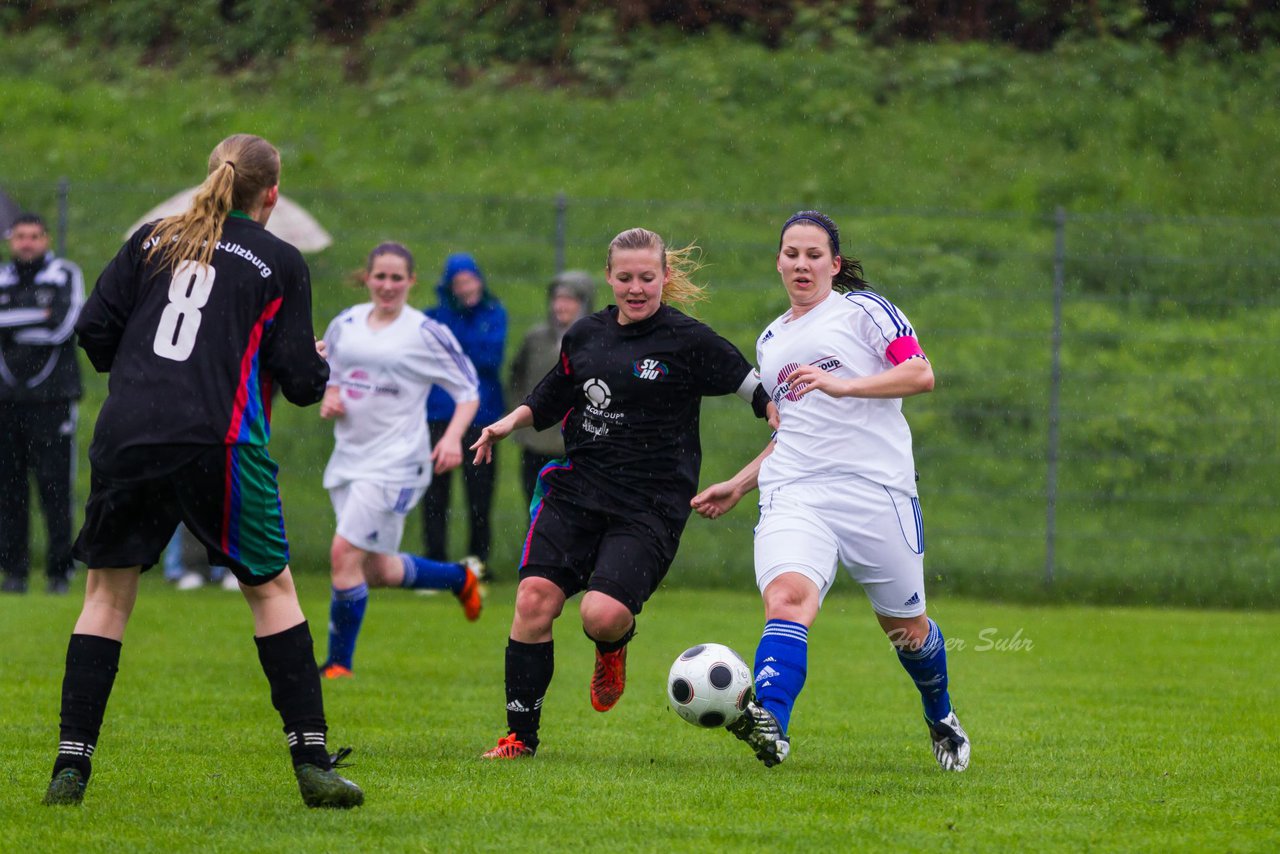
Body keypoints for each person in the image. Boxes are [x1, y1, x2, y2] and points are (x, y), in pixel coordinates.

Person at [42, 133, 362, 808]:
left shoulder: (151, 239)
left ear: (212, 175)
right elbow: (303, 383)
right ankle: (312, 764)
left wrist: (140, 379)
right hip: (218, 442)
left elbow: (95, 329)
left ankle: (70, 766)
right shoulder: (279, 260)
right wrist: (315, 362)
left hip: (128, 435)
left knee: (105, 597)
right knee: (272, 592)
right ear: (270, 194)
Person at [471, 227, 773, 760]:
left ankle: (611, 647)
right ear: (609, 278)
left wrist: (773, 413)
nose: (637, 288)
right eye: (626, 277)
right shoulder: (586, 335)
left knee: (600, 614)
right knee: (533, 601)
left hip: (650, 506)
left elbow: (752, 385)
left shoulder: (688, 340)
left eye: (647, 278)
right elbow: (550, 395)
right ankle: (520, 737)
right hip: (578, 491)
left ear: (665, 277)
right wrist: (504, 425)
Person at [691, 210, 970, 772]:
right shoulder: (771, 341)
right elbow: (793, 432)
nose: (802, 264)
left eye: (814, 254)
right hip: (795, 488)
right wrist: (741, 484)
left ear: (834, 264)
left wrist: (844, 385)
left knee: (907, 631)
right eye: (791, 253)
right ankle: (771, 725)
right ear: (778, 262)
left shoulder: (865, 311)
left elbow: (920, 374)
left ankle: (939, 711)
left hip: (877, 490)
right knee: (788, 600)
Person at [317, 241, 485, 680]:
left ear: (411, 282)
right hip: (349, 458)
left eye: (397, 278)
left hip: (397, 462)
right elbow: (328, 373)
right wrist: (330, 394)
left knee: (342, 553)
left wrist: (451, 438)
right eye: (380, 276)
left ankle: (338, 665)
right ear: (367, 277)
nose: (387, 285)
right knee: (376, 569)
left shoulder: (424, 331)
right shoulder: (346, 324)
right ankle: (458, 579)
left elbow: (468, 389)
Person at [0, 213, 83, 596]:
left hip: (52, 401)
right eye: (21, 237)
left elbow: (64, 325)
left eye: (34, 236)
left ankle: (59, 572)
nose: (27, 243)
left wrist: (12, 323)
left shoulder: (64, 274)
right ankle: (14, 572)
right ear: (10, 240)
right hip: (6, 401)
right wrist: (38, 317)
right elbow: (46, 323)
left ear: (46, 238)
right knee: (9, 490)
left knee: (54, 488)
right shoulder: (4, 277)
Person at [421, 253, 506, 566]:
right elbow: (433, 360)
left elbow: (490, 358)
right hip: (439, 414)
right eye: (459, 282)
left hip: (482, 418)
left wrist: (453, 349)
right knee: (434, 493)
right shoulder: (434, 317)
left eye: (471, 280)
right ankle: (434, 560)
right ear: (449, 286)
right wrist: (464, 347)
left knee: (480, 493)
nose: (467, 288)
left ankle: (477, 561)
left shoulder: (494, 313)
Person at [505, 269, 595, 504]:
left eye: (569, 299)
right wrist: (520, 415)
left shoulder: (597, 342)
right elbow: (517, 375)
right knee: (535, 508)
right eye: (557, 298)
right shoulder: (535, 339)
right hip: (536, 443)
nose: (560, 306)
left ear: (584, 303)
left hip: (577, 448)